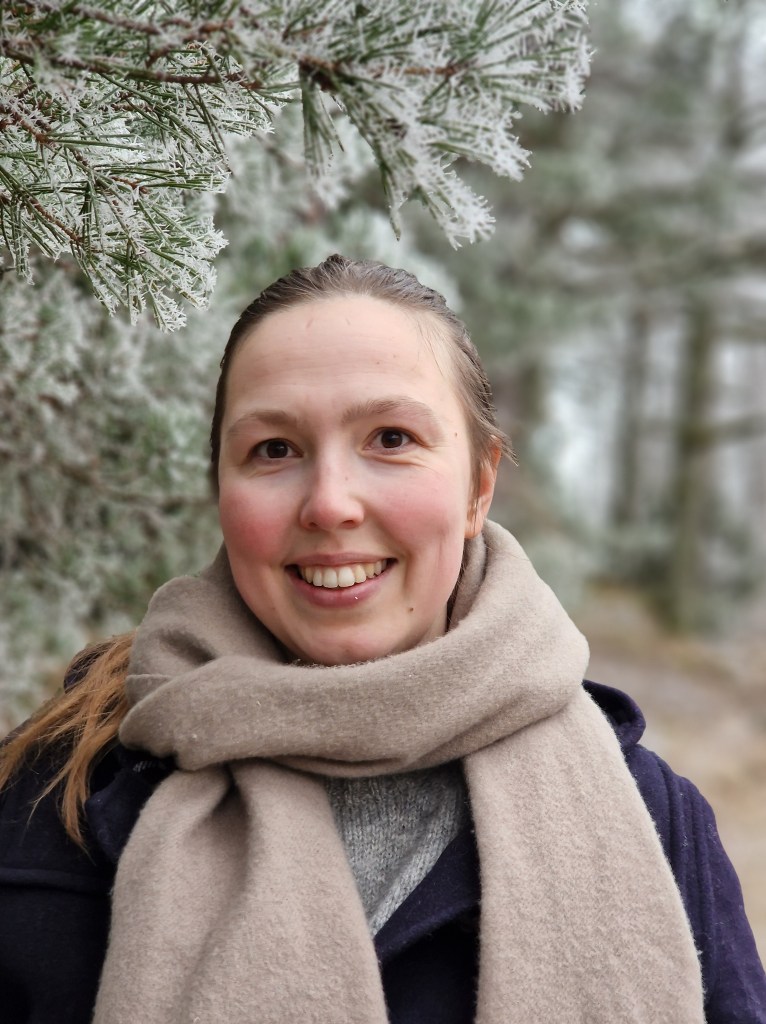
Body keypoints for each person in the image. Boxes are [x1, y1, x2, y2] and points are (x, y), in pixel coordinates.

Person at [0, 255, 764, 1024]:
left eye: (391, 438)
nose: (330, 503)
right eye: (274, 449)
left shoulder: (652, 819)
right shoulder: (57, 798)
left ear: (479, 486)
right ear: (221, 490)